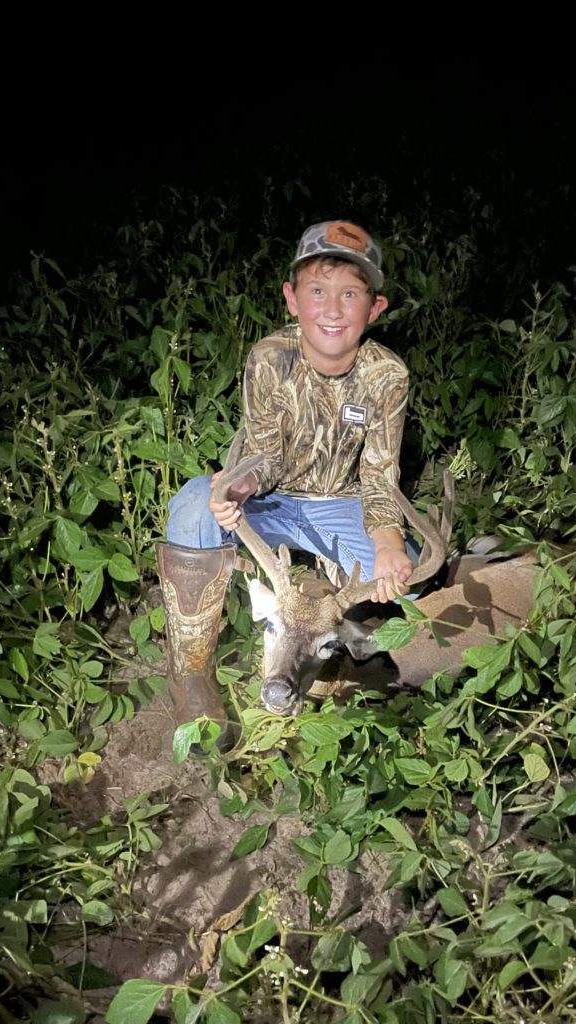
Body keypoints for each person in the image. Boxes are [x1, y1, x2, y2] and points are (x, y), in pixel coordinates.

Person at [155, 221, 413, 745]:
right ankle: (192, 673)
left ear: (375, 308)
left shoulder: (387, 375)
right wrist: (242, 484)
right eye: (318, 292)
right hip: (271, 500)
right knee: (196, 506)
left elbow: (378, 472)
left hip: (341, 503)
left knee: (407, 572)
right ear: (293, 299)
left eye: (350, 294)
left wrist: (388, 539)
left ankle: (325, 641)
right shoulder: (270, 356)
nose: (333, 309)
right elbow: (264, 453)